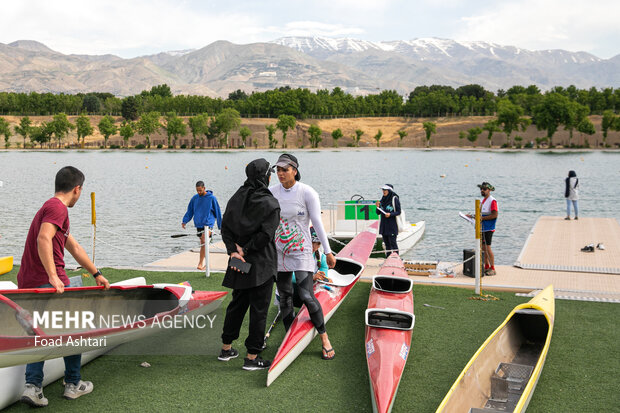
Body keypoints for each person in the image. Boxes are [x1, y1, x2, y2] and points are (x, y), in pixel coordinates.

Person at [17, 166, 110, 407]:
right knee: (74, 329)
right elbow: (43, 238)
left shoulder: (49, 209)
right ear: (77, 189)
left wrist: (96, 273)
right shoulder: (57, 208)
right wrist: (53, 276)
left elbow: (74, 247)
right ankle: (73, 384)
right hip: (49, 280)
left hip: (28, 281)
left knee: (39, 332)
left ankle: (33, 387)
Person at [269, 153, 337, 360]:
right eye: (278, 170)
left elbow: (317, 222)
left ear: (295, 171)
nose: (280, 173)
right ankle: (290, 337)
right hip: (279, 252)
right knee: (285, 298)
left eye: (284, 170)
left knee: (307, 295)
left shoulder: (307, 192)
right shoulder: (270, 192)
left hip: (302, 251)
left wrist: (327, 251)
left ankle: (324, 338)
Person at [219, 159, 280, 370]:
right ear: (266, 177)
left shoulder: (236, 198)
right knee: (259, 310)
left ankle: (226, 349)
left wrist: (233, 252)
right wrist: (243, 251)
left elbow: (224, 226)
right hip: (261, 264)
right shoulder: (270, 204)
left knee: (237, 305)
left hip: (239, 264)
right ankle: (252, 358)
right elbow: (266, 235)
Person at [182, 181, 222, 270]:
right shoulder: (194, 198)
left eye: (200, 190)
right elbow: (190, 211)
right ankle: (207, 264)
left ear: (204, 188)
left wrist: (220, 226)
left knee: (204, 241)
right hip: (198, 224)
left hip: (208, 223)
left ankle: (200, 264)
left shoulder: (212, 198)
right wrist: (184, 221)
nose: (199, 192)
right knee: (203, 243)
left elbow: (218, 212)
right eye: (197, 191)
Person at [478, 182, 499, 276]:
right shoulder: (483, 200)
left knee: (487, 247)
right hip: (482, 228)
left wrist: (482, 218)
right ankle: (486, 266)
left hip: (488, 228)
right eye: (481, 189)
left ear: (489, 190)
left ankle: (492, 268)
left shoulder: (492, 201)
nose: (482, 190)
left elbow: (495, 215)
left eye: (484, 189)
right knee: (483, 248)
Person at [375, 184, 401, 258]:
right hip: (384, 225)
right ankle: (388, 259)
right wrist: (377, 207)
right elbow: (378, 213)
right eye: (383, 190)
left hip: (392, 225)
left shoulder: (394, 199)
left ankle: (396, 259)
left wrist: (390, 214)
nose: (384, 191)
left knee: (393, 243)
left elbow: (398, 212)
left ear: (389, 191)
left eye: (385, 190)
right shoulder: (382, 199)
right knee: (387, 244)